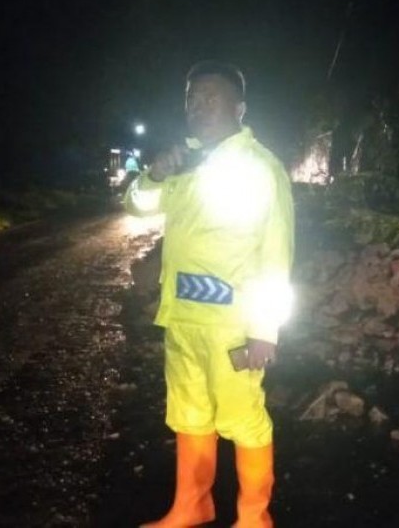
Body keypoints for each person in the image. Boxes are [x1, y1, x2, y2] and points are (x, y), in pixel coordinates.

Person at [124, 61, 294, 528]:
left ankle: (255, 517)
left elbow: (276, 255)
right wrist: (154, 175)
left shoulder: (261, 167)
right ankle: (191, 506)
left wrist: (264, 331)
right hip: (181, 316)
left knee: (243, 419)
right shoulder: (184, 160)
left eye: (209, 98)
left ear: (239, 108)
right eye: (191, 99)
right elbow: (136, 206)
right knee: (189, 414)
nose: (197, 107)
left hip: (232, 325)